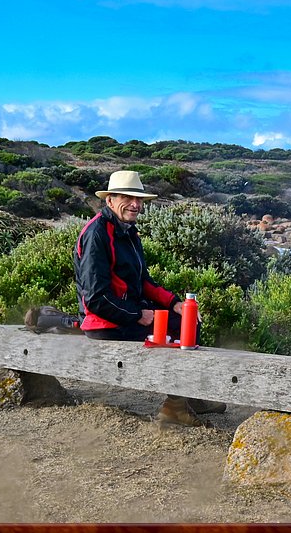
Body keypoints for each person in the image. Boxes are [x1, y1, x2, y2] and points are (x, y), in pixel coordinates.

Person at [73, 170, 224, 427]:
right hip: (105, 323)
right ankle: (176, 408)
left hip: (124, 313)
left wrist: (174, 303)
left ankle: (186, 396)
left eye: (139, 199)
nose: (135, 204)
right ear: (109, 200)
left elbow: (143, 281)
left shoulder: (127, 230)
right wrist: (138, 315)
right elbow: (96, 299)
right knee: (180, 328)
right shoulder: (98, 234)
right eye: (127, 197)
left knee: (185, 318)